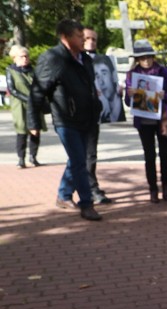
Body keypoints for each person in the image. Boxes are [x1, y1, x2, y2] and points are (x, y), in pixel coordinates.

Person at [28, 19, 103, 221]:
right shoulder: (53, 58)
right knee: (80, 161)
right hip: (66, 120)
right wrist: (33, 123)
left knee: (77, 159)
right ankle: (86, 204)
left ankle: (63, 195)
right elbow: (36, 92)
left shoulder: (84, 59)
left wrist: (98, 105)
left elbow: (90, 86)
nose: (84, 40)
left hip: (88, 118)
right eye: (80, 37)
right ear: (66, 37)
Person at [125, 39, 167, 203]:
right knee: (149, 156)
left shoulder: (163, 71)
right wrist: (131, 95)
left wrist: (165, 95)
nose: (146, 60)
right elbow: (128, 103)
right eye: (142, 58)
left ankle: (166, 186)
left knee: (165, 154)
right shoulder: (132, 75)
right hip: (144, 121)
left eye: (149, 56)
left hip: (162, 120)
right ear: (137, 60)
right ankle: (153, 189)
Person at [84, 27, 118, 206]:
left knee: (90, 155)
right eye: (86, 38)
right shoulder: (75, 61)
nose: (90, 42)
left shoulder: (101, 60)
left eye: (94, 39)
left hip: (93, 116)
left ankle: (88, 187)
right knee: (82, 157)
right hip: (78, 116)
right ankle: (88, 189)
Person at [6, 45, 45, 169]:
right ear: (15, 58)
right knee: (22, 131)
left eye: (26, 56)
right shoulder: (11, 70)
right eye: (22, 56)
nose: (25, 58)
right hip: (20, 105)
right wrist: (28, 99)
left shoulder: (33, 71)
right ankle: (21, 159)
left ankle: (33, 157)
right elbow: (12, 89)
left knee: (35, 131)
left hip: (35, 104)